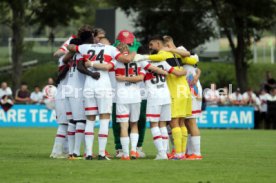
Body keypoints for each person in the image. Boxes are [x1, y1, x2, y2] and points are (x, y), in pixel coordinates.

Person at [67, 29, 137, 160]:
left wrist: (78, 48)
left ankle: (88, 154)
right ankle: (101, 153)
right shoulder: (111, 49)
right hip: (103, 85)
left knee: (90, 119)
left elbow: (70, 47)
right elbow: (126, 59)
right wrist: (134, 50)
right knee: (104, 119)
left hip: (88, 85)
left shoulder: (85, 47)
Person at [134, 35, 198, 159]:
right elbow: (191, 62)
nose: (150, 46)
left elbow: (151, 62)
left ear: (159, 44)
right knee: (180, 123)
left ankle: (174, 153)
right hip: (183, 91)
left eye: (151, 44)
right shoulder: (176, 55)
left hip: (170, 93)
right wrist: (183, 71)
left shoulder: (160, 56)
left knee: (169, 124)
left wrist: (141, 57)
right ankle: (181, 153)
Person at [112, 30, 147, 158]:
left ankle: (125, 154)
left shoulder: (115, 60)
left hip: (121, 96)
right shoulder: (138, 58)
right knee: (134, 124)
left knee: (123, 125)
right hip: (136, 96)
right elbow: (140, 78)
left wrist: (123, 78)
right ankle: (134, 150)